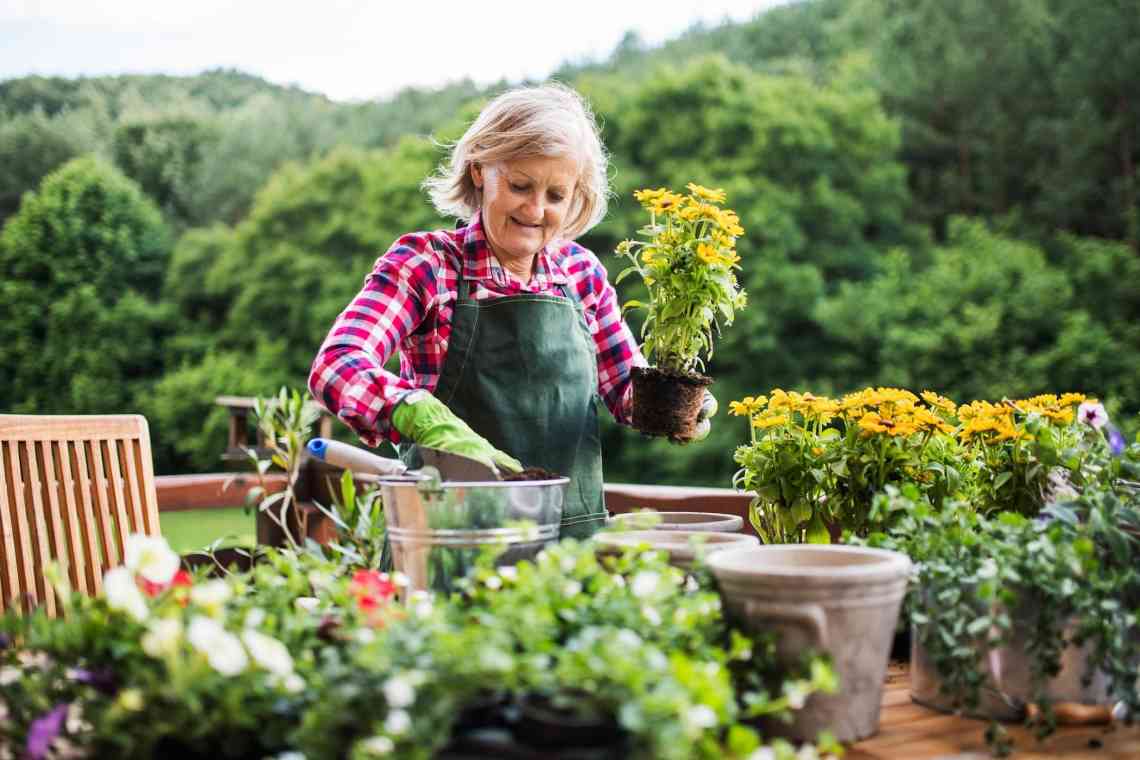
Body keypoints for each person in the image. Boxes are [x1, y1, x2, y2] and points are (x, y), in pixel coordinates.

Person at [309, 83, 715, 539]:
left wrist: (679, 405)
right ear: (480, 169)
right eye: (520, 185)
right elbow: (336, 365)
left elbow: (623, 388)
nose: (536, 209)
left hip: (569, 546)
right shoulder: (427, 266)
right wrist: (415, 413)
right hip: (452, 539)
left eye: (556, 195)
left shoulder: (581, 275)